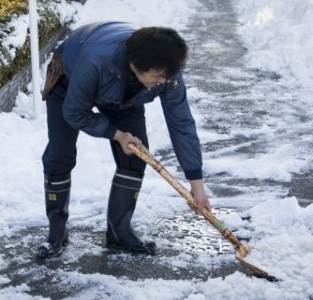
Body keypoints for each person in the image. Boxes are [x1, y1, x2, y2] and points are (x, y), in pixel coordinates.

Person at [36, 22, 211, 260]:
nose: (163, 81)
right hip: (69, 81)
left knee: (137, 154)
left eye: (166, 76)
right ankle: (56, 233)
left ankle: (120, 232)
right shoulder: (96, 61)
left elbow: (181, 123)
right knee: (59, 155)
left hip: (125, 95)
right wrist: (117, 135)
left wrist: (196, 184)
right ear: (135, 64)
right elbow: (75, 112)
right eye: (158, 76)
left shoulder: (165, 73)